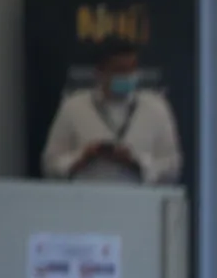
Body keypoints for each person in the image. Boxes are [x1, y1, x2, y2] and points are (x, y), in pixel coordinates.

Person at [41, 37, 182, 185]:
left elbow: (173, 168)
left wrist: (136, 162)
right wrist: (82, 158)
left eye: (132, 68)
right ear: (100, 73)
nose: (128, 75)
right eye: (120, 70)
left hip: (140, 201)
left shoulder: (156, 108)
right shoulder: (73, 107)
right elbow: (49, 165)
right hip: (85, 199)